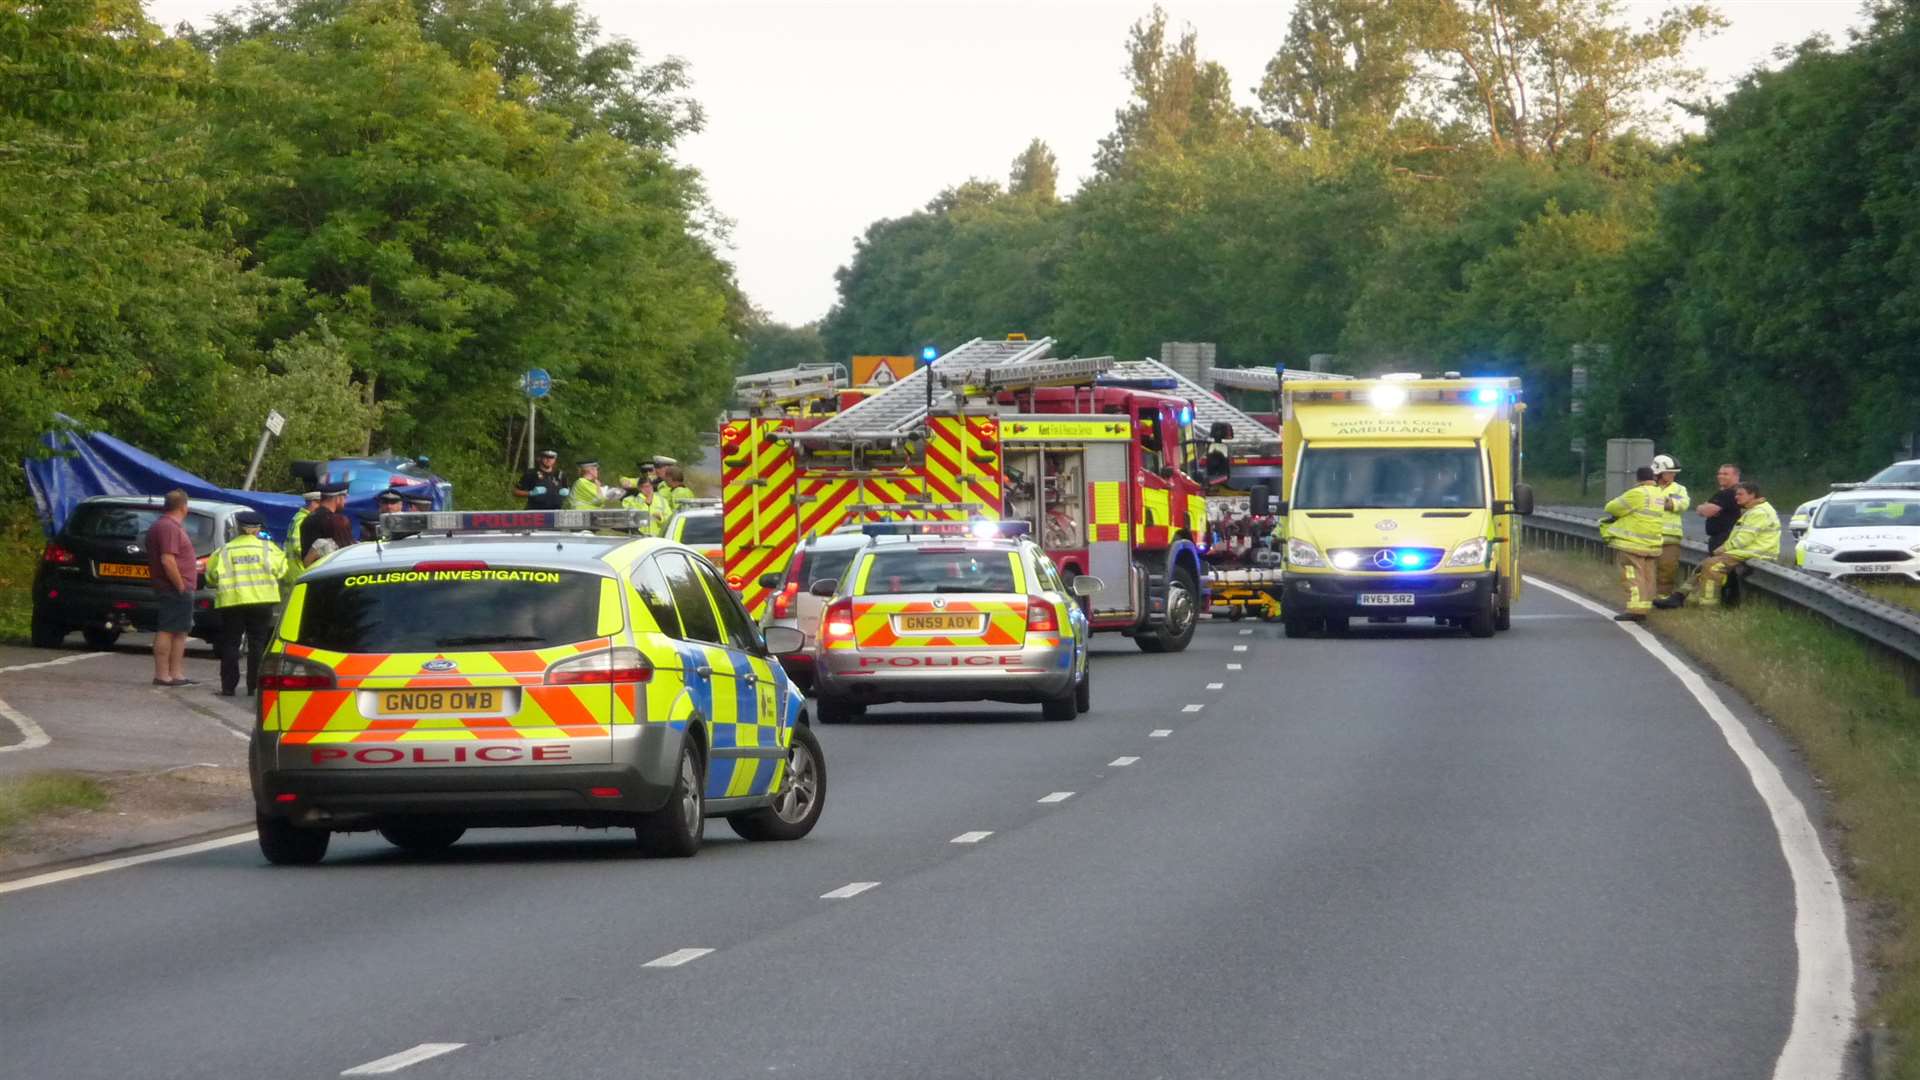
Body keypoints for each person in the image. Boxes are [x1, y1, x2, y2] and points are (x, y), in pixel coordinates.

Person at [1656, 481, 1780, 609]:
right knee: (1703, 565)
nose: (1736, 497)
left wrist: (1723, 548)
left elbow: (1744, 539)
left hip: (1755, 552)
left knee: (1712, 566)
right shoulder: (1754, 510)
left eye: (1740, 494)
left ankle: (1707, 607)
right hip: (1746, 551)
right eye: (1736, 494)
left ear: (1752, 495)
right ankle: (1679, 597)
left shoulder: (1758, 512)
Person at [204, 511, 287, 697]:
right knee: (257, 644)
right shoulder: (270, 549)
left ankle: (228, 687)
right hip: (261, 601)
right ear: (258, 529)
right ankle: (254, 686)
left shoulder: (224, 551)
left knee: (231, 644)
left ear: (238, 528)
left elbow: (211, 576)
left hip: (232, 602)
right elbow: (282, 571)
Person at [145, 489, 200, 686]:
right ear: (184, 507)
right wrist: (181, 585)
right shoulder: (169, 527)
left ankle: (175, 673)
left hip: (177, 587)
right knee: (168, 629)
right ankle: (163, 674)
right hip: (174, 588)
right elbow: (168, 560)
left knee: (180, 631)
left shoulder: (166, 526)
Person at [1599, 466, 1664, 622]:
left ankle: (1635, 610)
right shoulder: (1658, 493)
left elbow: (1612, 507)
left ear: (1638, 478)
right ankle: (1645, 606)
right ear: (1654, 478)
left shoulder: (1638, 493)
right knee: (1648, 576)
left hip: (1633, 543)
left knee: (1632, 575)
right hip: (1652, 544)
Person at [1650, 454, 1690, 601]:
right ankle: (1646, 597)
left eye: (1674, 473)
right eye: (1669, 472)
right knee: (1646, 570)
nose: (1673, 475)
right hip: (1647, 536)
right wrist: (1666, 502)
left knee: (1668, 569)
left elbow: (1682, 504)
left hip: (1671, 538)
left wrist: (1663, 503)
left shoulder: (1679, 489)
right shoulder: (1647, 487)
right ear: (1658, 472)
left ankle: (1663, 599)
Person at [300, 483, 354, 565]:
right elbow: (345, 552)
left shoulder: (308, 518)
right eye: (344, 497)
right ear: (337, 498)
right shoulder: (334, 521)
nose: (345, 502)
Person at [283, 490, 320, 586]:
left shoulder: (298, 516)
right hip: (299, 569)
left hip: (293, 569)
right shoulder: (304, 519)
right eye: (320, 503)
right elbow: (297, 545)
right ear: (313, 503)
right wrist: (312, 555)